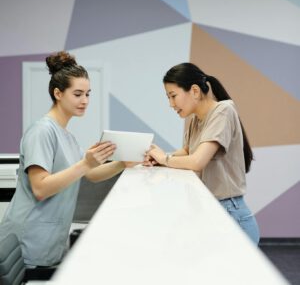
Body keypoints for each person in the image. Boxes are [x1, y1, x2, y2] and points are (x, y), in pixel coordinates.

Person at [0, 51, 130, 267]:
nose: (85, 101)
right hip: (28, 238)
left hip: (49, 239)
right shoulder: (42, 131)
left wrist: (124, 163)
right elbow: (40, 188)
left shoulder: (66, 136)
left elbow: (90, 174)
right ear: (58, 93)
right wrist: (85, 163)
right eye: (78, 94)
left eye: (88, 94)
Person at [144, 63, 260, 244]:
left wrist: (164, 158)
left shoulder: (223, 111)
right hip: (208, 210)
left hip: (229, 215)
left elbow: (197, 161)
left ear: (195, 91)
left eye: (173, 96)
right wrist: (158, 158)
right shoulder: (195, 119)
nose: (170, 104)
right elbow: (188, 151)